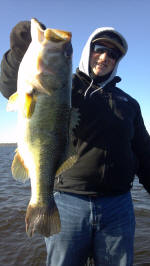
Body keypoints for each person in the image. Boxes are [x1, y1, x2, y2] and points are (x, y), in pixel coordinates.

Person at [1, 21, 150, 266]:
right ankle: (41, 202)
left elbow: (144, 151)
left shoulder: (129, 103)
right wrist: (22, 42)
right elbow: (9, 85)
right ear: (87, 50)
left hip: (118, 206)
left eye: (113, 54)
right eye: (99, 48)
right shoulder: (67, 86)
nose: (104, 57)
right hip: (68, 202)